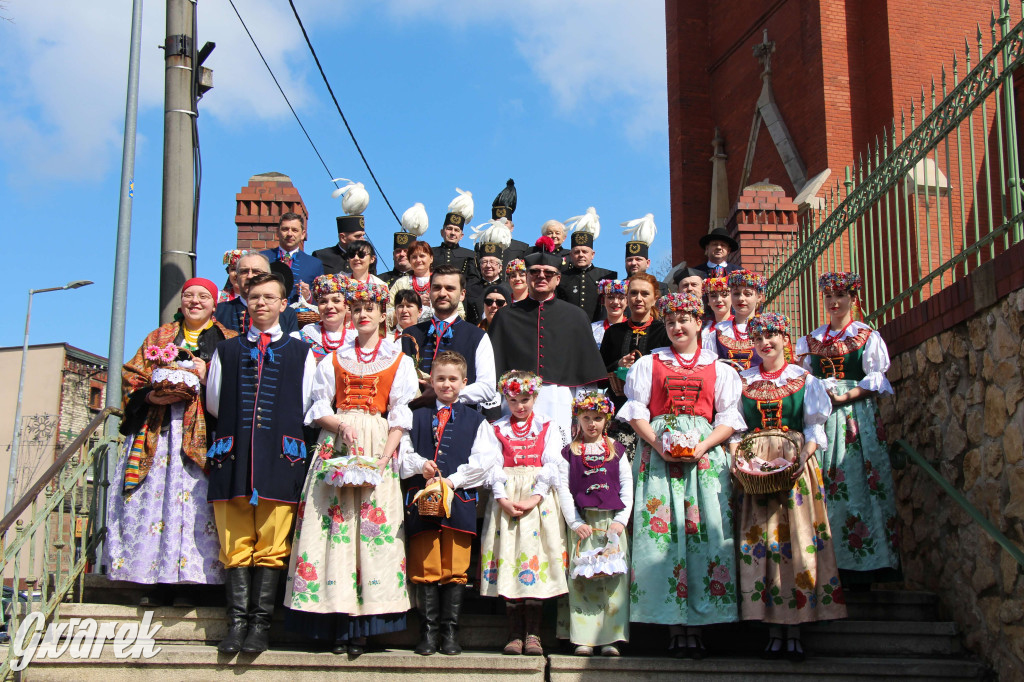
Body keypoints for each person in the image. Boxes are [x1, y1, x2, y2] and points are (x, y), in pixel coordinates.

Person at [284, 280, 417, 658]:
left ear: (382, 315)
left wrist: (382, 458)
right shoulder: (333, 358)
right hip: (337, 443)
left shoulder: (398, 359)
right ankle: (333, 618)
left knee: (371, 530)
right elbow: (317, 406)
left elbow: (399, 416)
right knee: (332, 528)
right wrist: (340, 425)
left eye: (369, 309)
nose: (362, 315)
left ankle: (363, 625)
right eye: (356, 309)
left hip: (376, 446)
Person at [618, 292, 745, 659]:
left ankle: (702, 624)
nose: (676, 327)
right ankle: (673, 625)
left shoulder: (719, 368)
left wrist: (704, 446)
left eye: (684, 320)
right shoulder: (650, 363)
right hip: (658, 459)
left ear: (698, 323)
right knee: (662, 533)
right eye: (671, 321)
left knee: (703, 531)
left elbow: (728, 418)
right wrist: (657, 444)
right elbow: (636, 410)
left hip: (704, 462)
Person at [204, 272, 317, 654]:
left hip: (281, 457)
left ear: (284, 305)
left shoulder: (303, 354)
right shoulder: (228, 350)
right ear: (245, 303)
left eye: (270, 298)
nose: (261, 304)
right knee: (234, 543)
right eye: (254, 298)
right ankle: (236, 625)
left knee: (272, 543)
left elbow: (305, 407)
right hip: (232, 457)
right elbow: (215, 403)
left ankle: (260, 627)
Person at [106, 278, 235, 606]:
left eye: (203, 296)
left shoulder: (227, 340)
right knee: (157, 503)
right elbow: (132, 374)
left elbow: (236, 386)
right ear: (180, 302)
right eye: (189, 295)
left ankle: (195, 583)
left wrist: (207, 376)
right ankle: (154, 579)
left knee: (196, 508)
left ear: (214, 303)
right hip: (159, 430)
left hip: (203, 434)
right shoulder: (158, 336)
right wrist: (151, 395)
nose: (195, 301)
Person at [729, 312, 846, 661]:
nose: (766, 343)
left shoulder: (804, 380)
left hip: (794, 470)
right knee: (761, 542)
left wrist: (800, 460)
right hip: (755, 473)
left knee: (795, 541)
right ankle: (770, 628)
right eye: (759, 338)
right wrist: (739, 462)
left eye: (772, 336)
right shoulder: (742, 381)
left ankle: (795, 628)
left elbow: (814, 429)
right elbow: (735, 430)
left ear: (784, 338)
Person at [797, 273, 898, 585]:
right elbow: (803, 381)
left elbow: (875, 380)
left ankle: (869, 564)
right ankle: (828, 562)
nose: (834, 302)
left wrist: (843, 396)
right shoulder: (812, 340)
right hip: (823, 419)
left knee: (858, 482)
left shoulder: (867, 336)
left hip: (855, 418)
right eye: (829, 296)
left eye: (840, 296)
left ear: (853, 299)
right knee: (824, 485)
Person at [399, 351, 502, 656]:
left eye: (452, 379)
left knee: (456, 567)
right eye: (440, 378)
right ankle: (428, 632)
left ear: (464, 382)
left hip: (459, 501)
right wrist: (421, 466)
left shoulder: (476, 419)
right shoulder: (414, 415)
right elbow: (402, 454)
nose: (446, 384)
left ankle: (450, 632)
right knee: (426, 565)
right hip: (423, 502)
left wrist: (453, 480)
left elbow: (485, 461)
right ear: (430, 381)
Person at [480, 371, 568, 656]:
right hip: (507, 495)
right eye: (514, 400)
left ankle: (533, 633)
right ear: (506, 398)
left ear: (535, 397)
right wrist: (501, 497)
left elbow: (553, 462)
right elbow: (492, 466)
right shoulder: (496, 428)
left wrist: (536, 496)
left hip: (536, 500)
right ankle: (514, 632)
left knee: (534, 556)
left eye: (525, 400)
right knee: (510, 555)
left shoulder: (547, 426)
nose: (520, 406)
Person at [488, 239, 608, 437]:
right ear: (526, 277)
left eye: (548, 273)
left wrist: (584, 416)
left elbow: (587, 377)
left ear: (558, 279)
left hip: (560, 401)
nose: (541, 276)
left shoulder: (576, 316)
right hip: (514, 400)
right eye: (534, 272)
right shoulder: (505, 316)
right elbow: (493, 370)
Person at [557, 391, 632, 657]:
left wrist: (621, 521)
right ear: (578, 418)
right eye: (586, 417)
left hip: (611, 523)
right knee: (583, 580)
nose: (592, 424)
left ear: (606, 420)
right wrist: (575, 522)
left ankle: (610, 636)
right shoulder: (569, 453)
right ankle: (584, 636)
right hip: (584, 524)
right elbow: (564, 489)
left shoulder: (616, 449)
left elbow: (626, 485)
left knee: (612, 580)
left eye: (598, 418)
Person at [400, 265, 497, 409]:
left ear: (462, 294)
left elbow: (487, 388)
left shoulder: (477, 336)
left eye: (450, 288)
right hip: (416, 419)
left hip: (461, 421)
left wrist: (443, 394)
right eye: (437, 288)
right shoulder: (409, 335)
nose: (442, 293)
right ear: (429, 291)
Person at [600, 273, 670, 412]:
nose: (638, 298)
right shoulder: (613, 332)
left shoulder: (664, 331)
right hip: (618, 407)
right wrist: (618, 365)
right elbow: (599, 375)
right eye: (633, 293)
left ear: (655, 298)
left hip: (655, 407)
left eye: (645, 294)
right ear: (627, 296)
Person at [214, 253, 299, 335]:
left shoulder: (287, 314)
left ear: (268, 276)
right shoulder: (220, 311)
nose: (250, 276)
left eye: (256, 271)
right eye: (244, 271)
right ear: (237, 276)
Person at [260, 212, 325, 303]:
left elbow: (322, 299)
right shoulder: (262, 258)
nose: (289, 234)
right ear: (277, 232)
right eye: (285, 229)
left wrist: (308, 296)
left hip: (298, 315)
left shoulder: (314, 264)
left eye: (294, 230)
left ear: (302, 234)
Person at [558, 231, 618, 322]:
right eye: (577, 252)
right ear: (571, 255)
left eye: (585, 252)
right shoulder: (561, 277)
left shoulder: (607, 276)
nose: (581, 255)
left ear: (592, 254)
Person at [713, 269, 766, 370]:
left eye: (748, 294)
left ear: (759, 297)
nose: (741, 298)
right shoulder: (719, 330)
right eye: (736, 294)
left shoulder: (767, 329)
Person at [292, 274, 352, 362]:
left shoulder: (355, 339)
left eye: (336, 301)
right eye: (323, 301)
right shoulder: (300, 338)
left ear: (347, 305)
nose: (329, 306)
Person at [390, 241, 440, 322]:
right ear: (409, 260)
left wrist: (435, 304)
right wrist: (416, 303)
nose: (418, 260)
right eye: (414, 257)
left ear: (431, 258)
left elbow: (457, 310)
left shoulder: (440, 281)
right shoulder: (401, 283)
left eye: (422, 256)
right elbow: (387, 310)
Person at [313, 213, 378, 276]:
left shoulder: (367, 258)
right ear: (343, 238)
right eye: (357, 236)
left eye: (363, 235)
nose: (362, 239)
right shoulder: (321, 256)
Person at [467, 241, 509, 323]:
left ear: (500, 267)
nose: (488, 265)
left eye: (492, 262)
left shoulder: (509, 289)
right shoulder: (470, 289)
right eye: (484, 262)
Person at [433, 209, 480, 283]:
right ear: (442, 232)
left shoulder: (470, 255)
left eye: (456, 230)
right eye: (449, 229)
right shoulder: (430, 252)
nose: (452, 233)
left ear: (461, 236)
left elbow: (473, 281)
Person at [491, 179, 530, 264]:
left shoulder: (523, 248)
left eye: (505, 222)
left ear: (512, 227)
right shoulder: (481, 246)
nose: (501, 225)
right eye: (498, 222)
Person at [591, 279, 628, 345]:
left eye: (621, 298)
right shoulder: (593, 329)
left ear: (627, 302)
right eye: (611, 297)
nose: (616, 302)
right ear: (603, 300)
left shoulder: (633, 329)